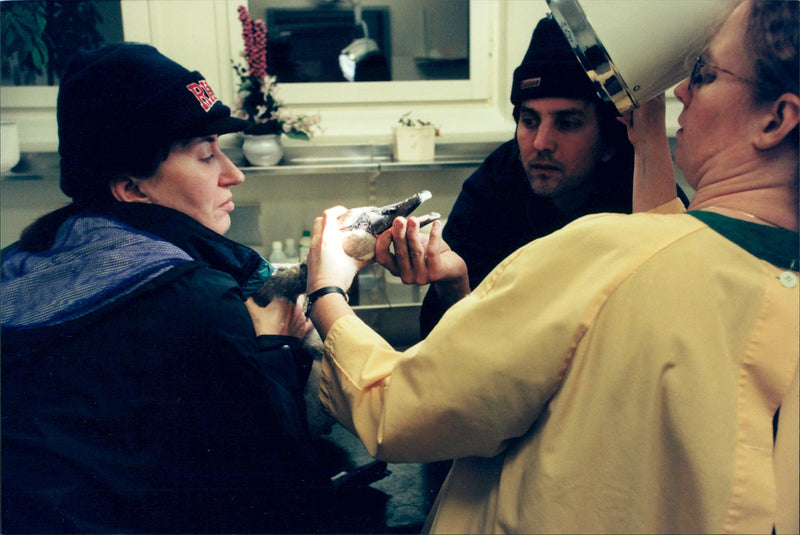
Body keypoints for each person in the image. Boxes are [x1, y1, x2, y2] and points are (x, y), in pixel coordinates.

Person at [303, 0, 799, 532]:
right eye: (528, 119)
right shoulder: (770, 279)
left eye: (701, 74)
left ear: (775, 119)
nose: (680, 91)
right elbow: (673, 254)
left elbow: (401, 408)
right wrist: (647, 129)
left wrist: (325, 291)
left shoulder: (603, 252)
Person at [1, 43, 333, 533]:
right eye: (205, 156)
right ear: (133, 188)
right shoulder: (196, 303)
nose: (233, 174)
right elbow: (278, 492)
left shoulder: (23, 264)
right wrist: (275, 343)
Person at [419, 15, 669, 335]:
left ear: (608, 142)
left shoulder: (645, 194)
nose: (540, 143)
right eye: (530, 120)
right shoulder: (493, 187)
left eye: (566, 123)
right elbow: (436, 346)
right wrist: (454, 288)